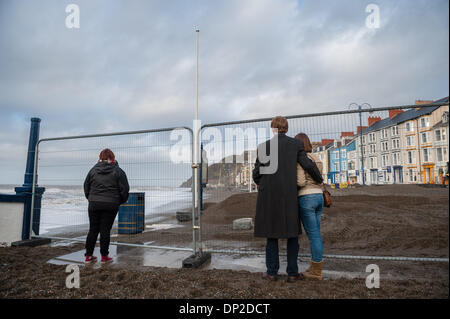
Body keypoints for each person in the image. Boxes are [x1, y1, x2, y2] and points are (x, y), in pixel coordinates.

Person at [252, 116, 323, 282]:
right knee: (292, 235)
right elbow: (307, 164)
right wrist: (318, 179)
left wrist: (263, 183)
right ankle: (292, 273)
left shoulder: (263, 147)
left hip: (268, 195)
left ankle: (271, 272)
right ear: (287, 128)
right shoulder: (296, 144)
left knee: (271, 235)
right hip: (289, 195)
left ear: (273, 129)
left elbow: (256, 173)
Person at [83, 148, 129, 264]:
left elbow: (86, 187)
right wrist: (120, 201)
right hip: (111, 204)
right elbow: (125, 189)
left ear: (100, 158)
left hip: (94, 203)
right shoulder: (118, 171)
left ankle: (88, 256)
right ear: (112, 158)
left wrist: (91, 198)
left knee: (93, 229)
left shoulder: (93, 170)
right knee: (105, 230)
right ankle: (104, 257)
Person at [295, 133, 324, 280]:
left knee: (314, 236)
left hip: (307, 198)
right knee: (316, 234)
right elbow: (320, 179)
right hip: (319, 197)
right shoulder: (317, 158)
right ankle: (314, 266)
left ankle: (317, 271)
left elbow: (300, 182)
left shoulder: (301, 159)